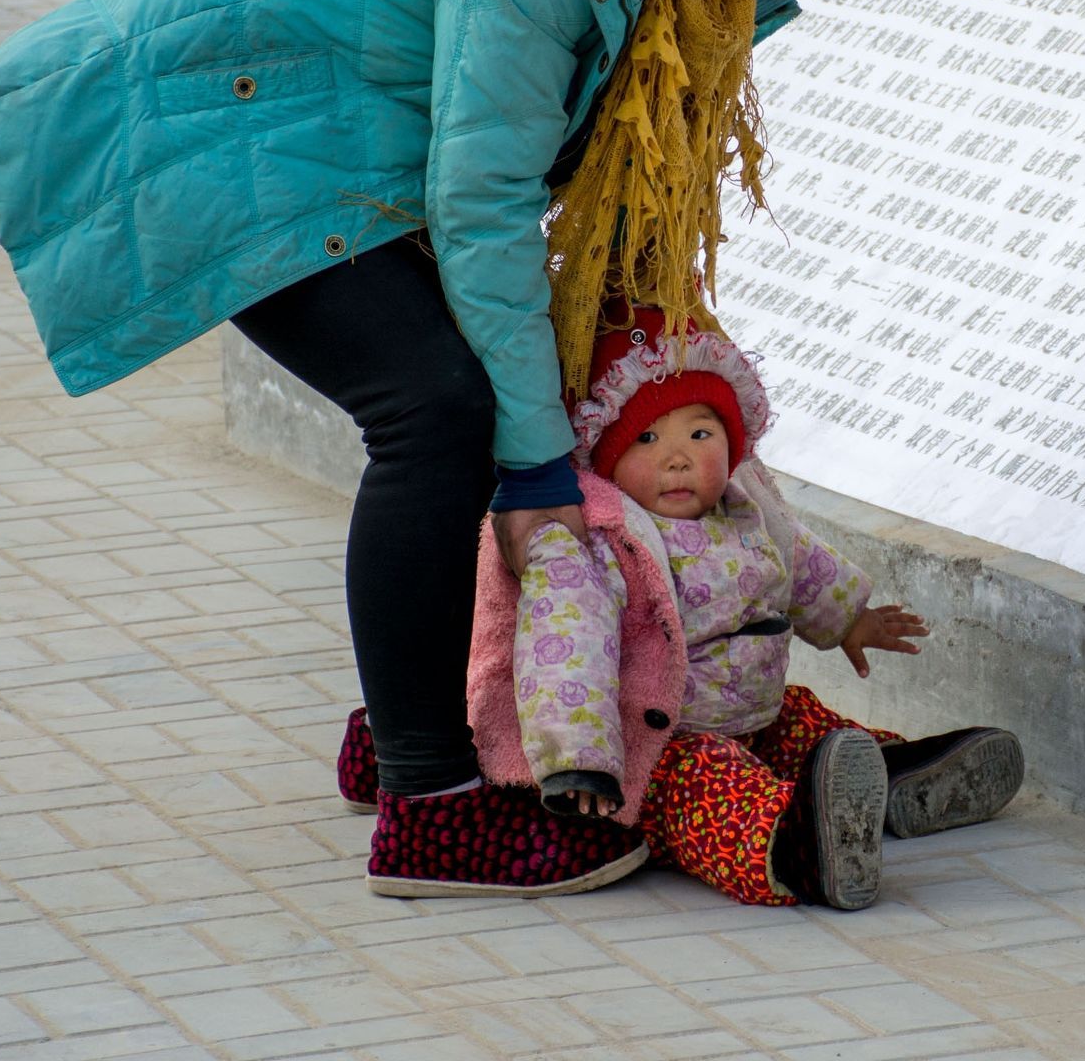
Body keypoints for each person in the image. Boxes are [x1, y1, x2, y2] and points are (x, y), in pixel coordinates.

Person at [0, 0, 888, 896]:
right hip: (206, 127)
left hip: (324, 142)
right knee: (440, 409)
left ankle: (419, 728)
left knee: (491, 396)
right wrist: (545, 464)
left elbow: (603, 178)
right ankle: (431, 806)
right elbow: (486, 195)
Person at [338, 309, 1027, 907]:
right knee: (708, 789)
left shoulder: (741, 501)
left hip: (749, 709)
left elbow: (801, 564)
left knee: (808, 725)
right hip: (660, 739)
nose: (677, 461)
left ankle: (886, 777)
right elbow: (564, 648)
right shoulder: (597, 538)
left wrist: (849, 619)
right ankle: (790, 850)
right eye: (647, 441)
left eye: (699, 436)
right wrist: (579, 761)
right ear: (605, 454)